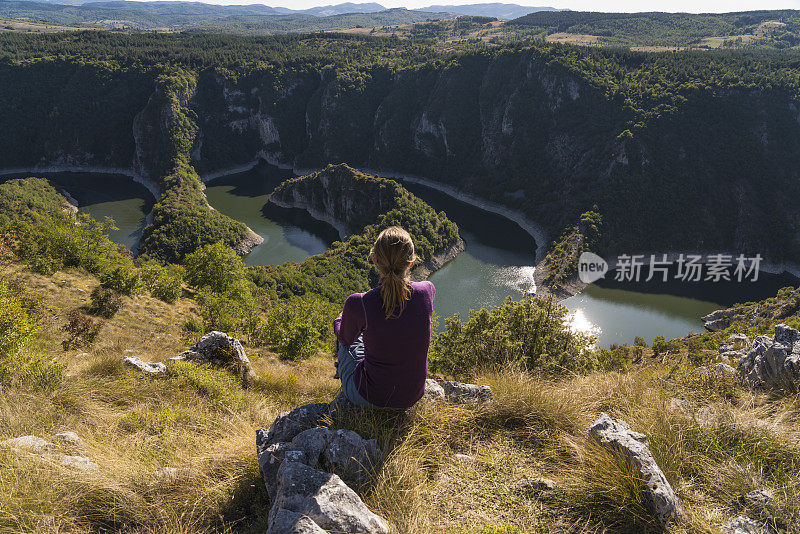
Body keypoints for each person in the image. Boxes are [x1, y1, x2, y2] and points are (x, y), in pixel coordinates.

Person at [333, 226, 435, 409]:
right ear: (411, 263)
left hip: (371, 398)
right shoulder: (427, 290)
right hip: (412, 396)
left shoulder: (359, 302)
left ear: (374, 260)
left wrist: (340, 320)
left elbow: (344, 338)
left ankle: (343, 377)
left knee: (347, 340)